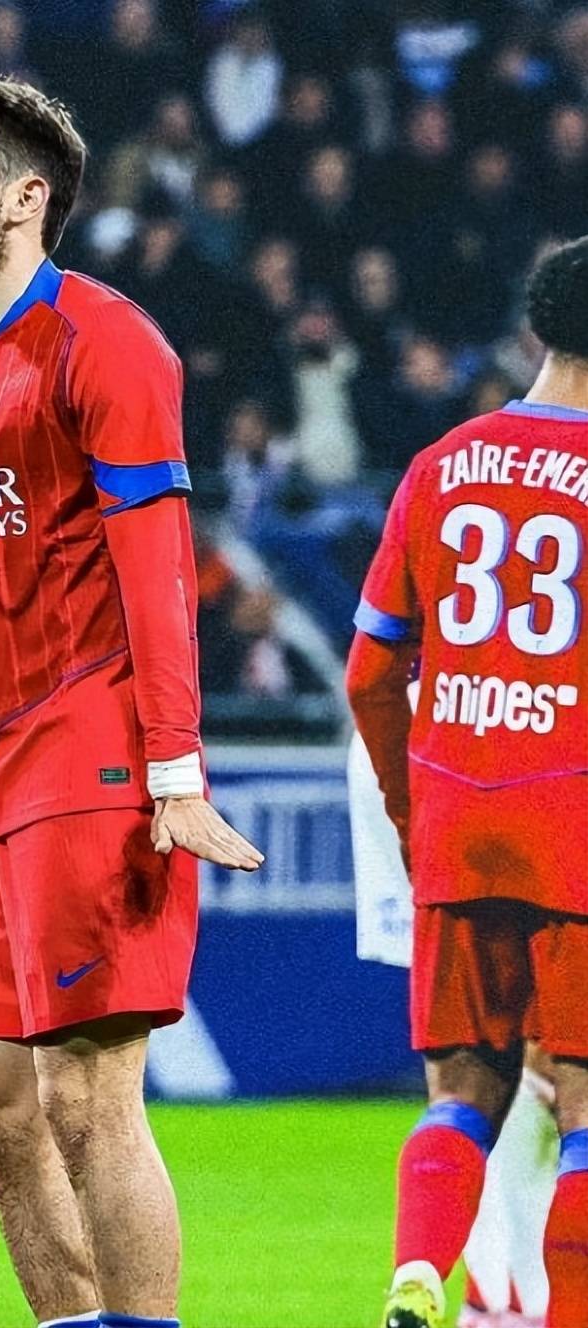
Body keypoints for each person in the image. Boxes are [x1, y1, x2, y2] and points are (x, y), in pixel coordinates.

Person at [0, 78, 263, 1328]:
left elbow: (159, 569)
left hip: (95, 761)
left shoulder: (107, 340)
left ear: (26, 197)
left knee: (88, 1097)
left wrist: (173, 768)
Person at [347, 236, 588, 1328]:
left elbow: (369, 671)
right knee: (582, 1106)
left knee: (461, 1090)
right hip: (573, 822)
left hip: (458, 818)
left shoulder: (443, 463)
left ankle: (417, 1274)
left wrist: (414, 811)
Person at [348, 725, 556, 1328]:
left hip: (416, 748)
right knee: (560, 1071)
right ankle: (520, 1301)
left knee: (467, 1068)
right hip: (532, 744)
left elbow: (370, 679)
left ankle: (489, 1298)